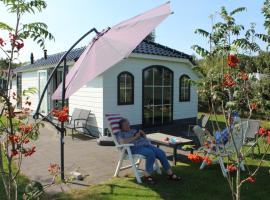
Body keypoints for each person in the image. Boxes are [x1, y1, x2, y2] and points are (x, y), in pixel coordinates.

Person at [116, 118, 181, 184]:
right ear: (121, 127)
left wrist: (144, 137)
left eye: (128, 124)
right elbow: (122, 142)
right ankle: (147, 174)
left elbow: (142, 133)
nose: (128, 126)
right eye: (125, 125)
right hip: (135, 148)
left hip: (146, 145)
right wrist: (135, 137)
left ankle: (170, 174)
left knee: (161, 153)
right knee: (150, 153)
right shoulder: (120, 134)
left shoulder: (133, 130)